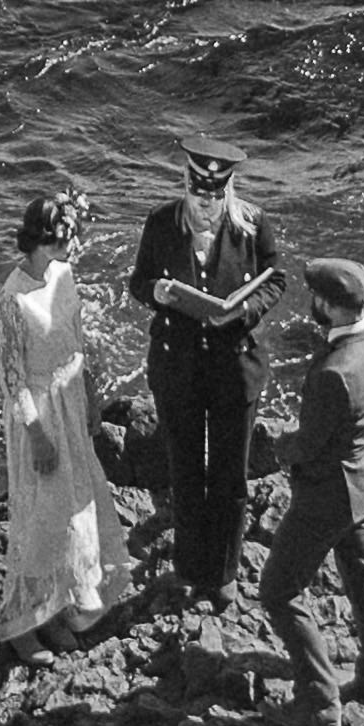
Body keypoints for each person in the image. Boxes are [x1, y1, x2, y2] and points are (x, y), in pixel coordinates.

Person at [258, 254, 364, 726]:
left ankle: (320, 703)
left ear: (331, 305)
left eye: (317, 298)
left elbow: (307, 446)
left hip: (326, 496)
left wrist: (278, 447)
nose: (312, 304)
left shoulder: (332, 375)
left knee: (279, 591)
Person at [126, 138, 279, 602]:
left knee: (230, 476)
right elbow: (138, 282)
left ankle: (225, 571)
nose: (207, 205)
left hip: (235, 369)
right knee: (186, 472)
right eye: (199, 194)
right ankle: (189, 566)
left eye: (216, 195)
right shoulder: (160, 223)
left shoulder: (252, 225)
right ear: (187, 185)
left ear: (228, 189)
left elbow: (276, 279)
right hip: (180, 369)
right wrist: (158, 294)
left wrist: (245, 311)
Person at [0, 188, 132, 645]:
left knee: (74, 508)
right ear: (39, 239)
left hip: (69, 401)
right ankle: (22, 625)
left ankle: (61, 604)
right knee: (40, 519)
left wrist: (91, 395)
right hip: (38, 414)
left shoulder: (64, 274)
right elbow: (12, 381)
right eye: (63, 239)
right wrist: (38, 437)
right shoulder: (12, 299)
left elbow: (77, 340)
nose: (70, 247)